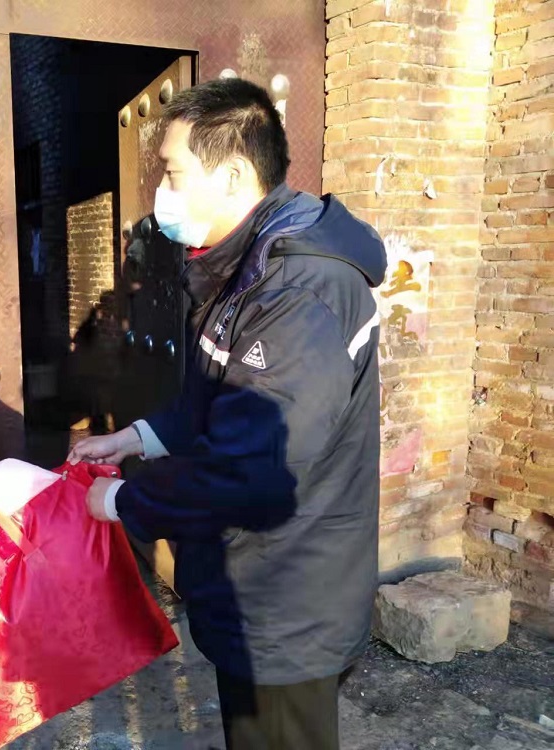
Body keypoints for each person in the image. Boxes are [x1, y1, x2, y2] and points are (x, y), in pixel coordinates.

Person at [69, 79, 387, 750]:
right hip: (250, 581)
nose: (163, 191)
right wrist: (139, 437)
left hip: (289, 600)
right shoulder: (244, 265)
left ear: (234, 174)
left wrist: (122, 501)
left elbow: (250, 472)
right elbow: (215, 396)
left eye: (174, 173)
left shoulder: (300, 292)